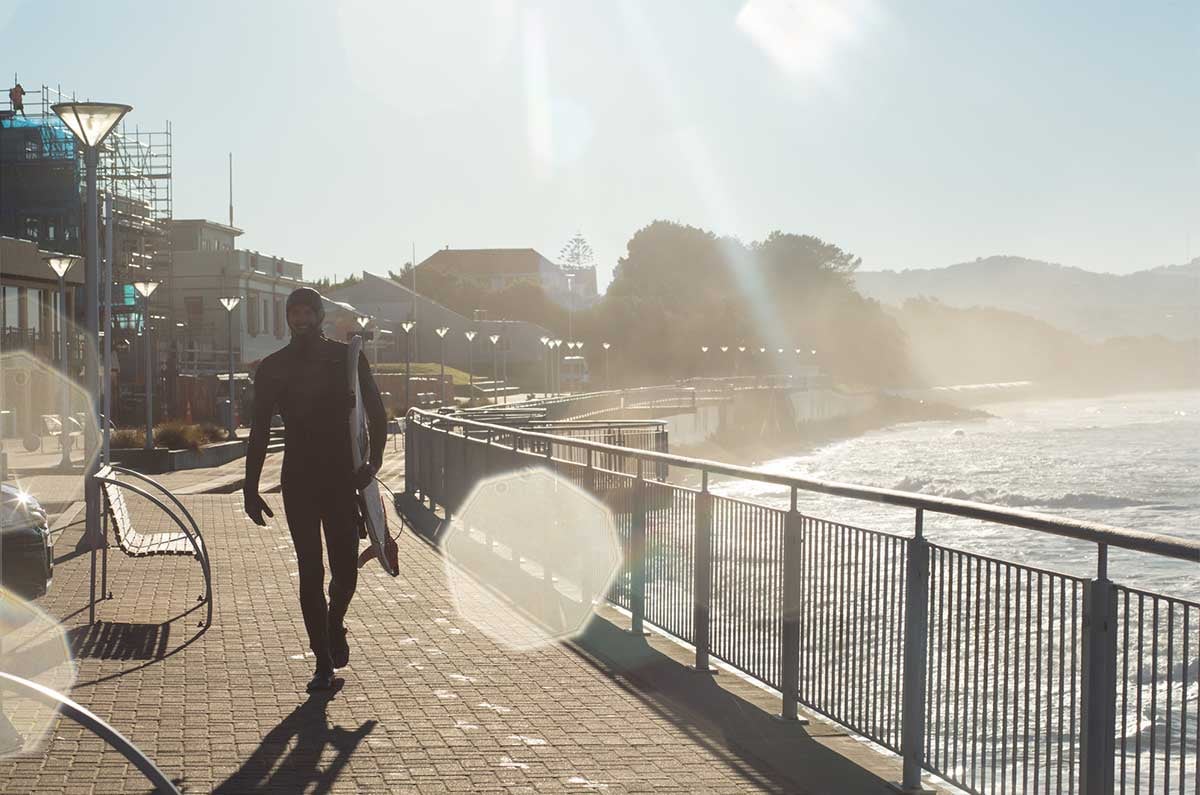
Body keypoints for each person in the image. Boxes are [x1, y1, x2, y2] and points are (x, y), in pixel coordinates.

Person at [243, 287, 387, 692]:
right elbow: (258, 432)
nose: (300, 319)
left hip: (342, 477)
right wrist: (250, 488)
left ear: (320, 315)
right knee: (310, 569)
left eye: (308, 312)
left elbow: (376, 414)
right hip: (299, 478)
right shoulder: (273, 368)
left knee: (344, 570)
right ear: (287, 318)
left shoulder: (347, 358)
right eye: (294, 313)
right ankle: (322, 663)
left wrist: (373, 464)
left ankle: (334, 622)